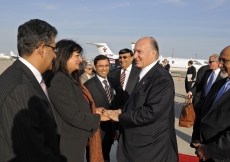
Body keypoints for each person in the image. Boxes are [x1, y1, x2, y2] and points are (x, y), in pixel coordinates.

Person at [104, 37, 178, 162]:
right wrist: (120, 111)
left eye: (139, 52)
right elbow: (136, 102)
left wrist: (120, 117)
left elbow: (151, 112)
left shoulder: (161, 78)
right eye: (134, 52)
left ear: (153, 53)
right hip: (140, 146)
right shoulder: (144, 74)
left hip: (150, 149)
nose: (135, 56)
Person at [0, 19, 61, 162]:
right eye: (54, 49)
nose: (55, 55)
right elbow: (31, 152)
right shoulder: (20, 89)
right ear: (41, 49)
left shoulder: (17, 75)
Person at [47, 39, 109, 162]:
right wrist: (98, 117)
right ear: (64, 56)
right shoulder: (59, 80)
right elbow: (73, 115)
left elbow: (73, 106)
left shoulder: (69, 79)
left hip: (75, 143)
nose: (80, 60)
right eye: (77, 56)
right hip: (67, 145)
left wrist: (94, 110)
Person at [191, 46, 230, 162]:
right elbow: (202, 112)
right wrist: (197, 139)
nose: (220, 64)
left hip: (222, 156)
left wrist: (210, 150)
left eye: (224, 60)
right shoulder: (218, 84)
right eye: (220, 60)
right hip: (203, 152)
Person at [84, 55, 121, 162]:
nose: (104, 68)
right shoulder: (88, 85)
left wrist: (117, 127)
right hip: (96, 131)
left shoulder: (114, 82)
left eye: (106, 66)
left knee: (106, 156)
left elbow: (116, 105)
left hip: (111, 130)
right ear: (95, 67)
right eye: (101, 66)